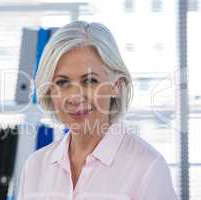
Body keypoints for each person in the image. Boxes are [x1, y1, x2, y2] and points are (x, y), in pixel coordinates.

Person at [17, 21, 178, 200]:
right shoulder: (34, 167)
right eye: (62, 82)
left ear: (116, 85)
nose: (75, 97)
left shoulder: (148, 168)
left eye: (90, 81)